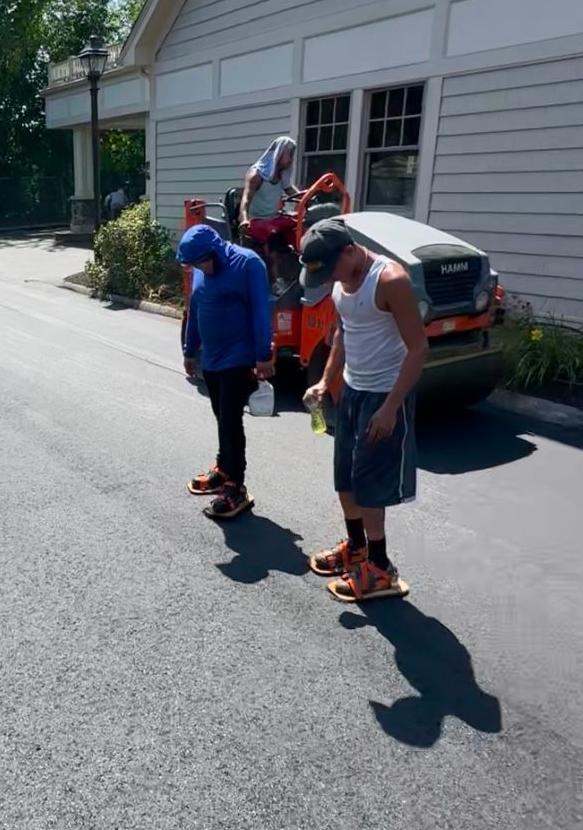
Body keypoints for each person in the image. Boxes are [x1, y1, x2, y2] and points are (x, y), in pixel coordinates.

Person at [300, 216, 427, 603]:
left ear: (350, 250)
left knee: (371, 487)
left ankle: (380, 567)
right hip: (352, 391)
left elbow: (419, 349)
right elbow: (343, 332)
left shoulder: (391, 281)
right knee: (346, 478)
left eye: (332, 270)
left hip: (384, 395)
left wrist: (390, 408)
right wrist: (325, 381)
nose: (331, 281)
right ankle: (356, 547)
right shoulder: (340, 279)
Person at [178, 222, 275, 520]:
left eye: (201, 262)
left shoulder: (247, 264)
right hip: (213, 359)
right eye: (193, 264)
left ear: (215, 252)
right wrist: (189, 349)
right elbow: (196, 309)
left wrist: (263, 355)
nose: (198, 268)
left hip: (240, 357)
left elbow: (261, 310)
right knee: (221, 416)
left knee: (231, 420)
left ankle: (237, 485)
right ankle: (224, 467)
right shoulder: (199, 269)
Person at [238, 136, 301, 295]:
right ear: (279, 154)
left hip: (273, 218)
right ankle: (276, 281)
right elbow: (245, 199)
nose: (291, 159)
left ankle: (304, 272)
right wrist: (244, 219)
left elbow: (292, 192)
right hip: (256, 220)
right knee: (273, 234)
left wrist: (310, 197)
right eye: (290, 155)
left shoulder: (282, 174)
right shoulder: (256, 175)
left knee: (299, 226)